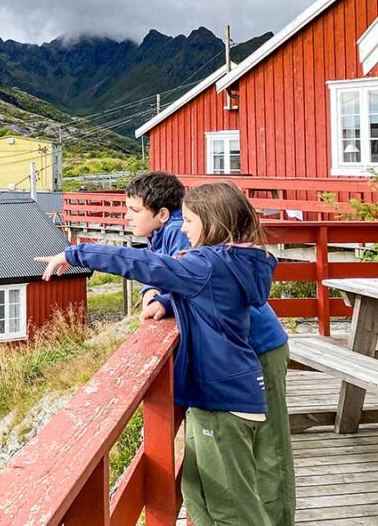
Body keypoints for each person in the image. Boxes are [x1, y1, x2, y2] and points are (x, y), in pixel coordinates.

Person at [37, 182, 276, 526]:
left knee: (231, 507)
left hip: (226, 401)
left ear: (212, 225)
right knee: (197, 493)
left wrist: (76, 253)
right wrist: (166, 301)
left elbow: (143, 263)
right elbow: (208, 301)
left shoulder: (206, 264)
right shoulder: (231, 260)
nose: (184, 229)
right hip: (224, 396)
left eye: (190, 221)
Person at [136, 179, 295, 526]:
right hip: (236, 352)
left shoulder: (184, 231)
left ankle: (277, 520)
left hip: (256, 348)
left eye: (134, 210)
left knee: (269, 453)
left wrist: (160, 292)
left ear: (162, 214)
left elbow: (190, 277)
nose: (127, 218)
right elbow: (182, 284)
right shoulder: (168, 233)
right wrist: (162, 298)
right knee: (231, 462)